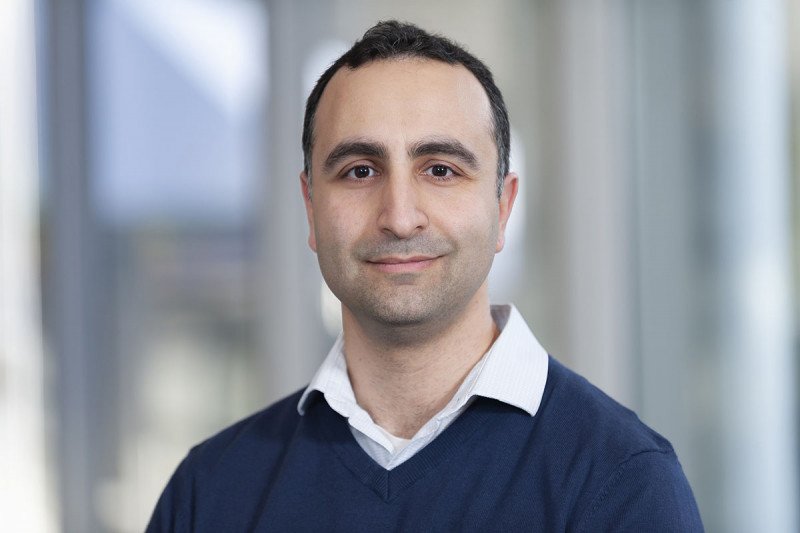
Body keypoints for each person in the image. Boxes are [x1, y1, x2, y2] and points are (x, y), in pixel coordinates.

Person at [147, 20, 703, 532]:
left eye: (440, 169)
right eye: (359, 171)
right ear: (311, 207)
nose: (399, 216)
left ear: (503, 207)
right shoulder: (210, 492)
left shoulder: (619, 483)